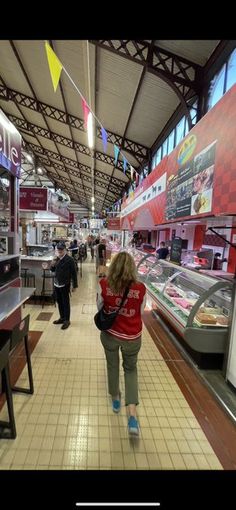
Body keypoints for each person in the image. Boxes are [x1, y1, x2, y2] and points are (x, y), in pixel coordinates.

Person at [96, 251, 146, 436]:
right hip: (132, 337)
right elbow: (141, 311)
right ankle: (132, 415)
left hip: (110, 334)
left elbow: (99, 307)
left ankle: (115, 398)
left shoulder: (104, 284)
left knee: (112, 365)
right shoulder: (141, 288)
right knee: (131, 370)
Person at [50, 241, 78, 330]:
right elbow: (52, 270)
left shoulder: (70, 260)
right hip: (56, 283)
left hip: (65, 284)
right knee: (59, 301)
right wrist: (53, 262)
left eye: (61, 250)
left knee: (65, 302)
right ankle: (62, 318)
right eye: (58, 250)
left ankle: (67, 320)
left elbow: (74, 273)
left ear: (65, 250)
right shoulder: (57, 259)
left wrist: (75, 285)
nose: (60, 252)